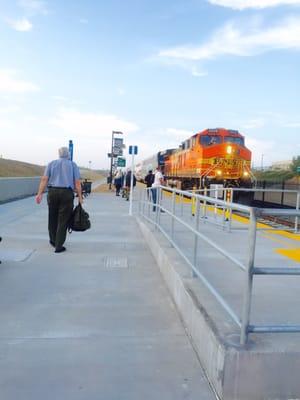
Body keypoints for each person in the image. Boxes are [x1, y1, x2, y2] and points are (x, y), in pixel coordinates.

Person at [35, 147, 83, 253]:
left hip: (52, 192)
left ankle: (53, 240)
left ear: (59, 154)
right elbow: (77, 182)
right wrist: (80, 197)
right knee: (63, 219)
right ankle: (59, 245)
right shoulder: (72, 164)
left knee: (52, 217)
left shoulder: (51, 163)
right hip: (66, 193)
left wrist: (39, 194)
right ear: (68, 154)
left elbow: (44, 179)